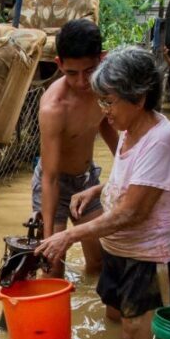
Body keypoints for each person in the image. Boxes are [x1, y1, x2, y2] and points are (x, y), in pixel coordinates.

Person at [36, 46, 170, 339]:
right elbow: (133, 182)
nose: (103, 110)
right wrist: (96, 189)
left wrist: (69, 235)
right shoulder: (129, 130)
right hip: (118, 252)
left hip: (147, 259)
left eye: (109, 101)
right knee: (114, 320)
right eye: (101, 100)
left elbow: (132, 212)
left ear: (139, 98)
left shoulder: (161, 142)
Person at [34, 19, 119, 277]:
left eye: (89, 71)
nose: (82, 81)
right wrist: (48, 238)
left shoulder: (104, 90)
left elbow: (105, 125)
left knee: (99, 263)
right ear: (59, 64)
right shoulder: (54, 107)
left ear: (102, 59)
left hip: (86, 181)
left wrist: (124, 165)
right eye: (72, 73)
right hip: (54, 186)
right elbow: (49, 178)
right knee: (52, 267)